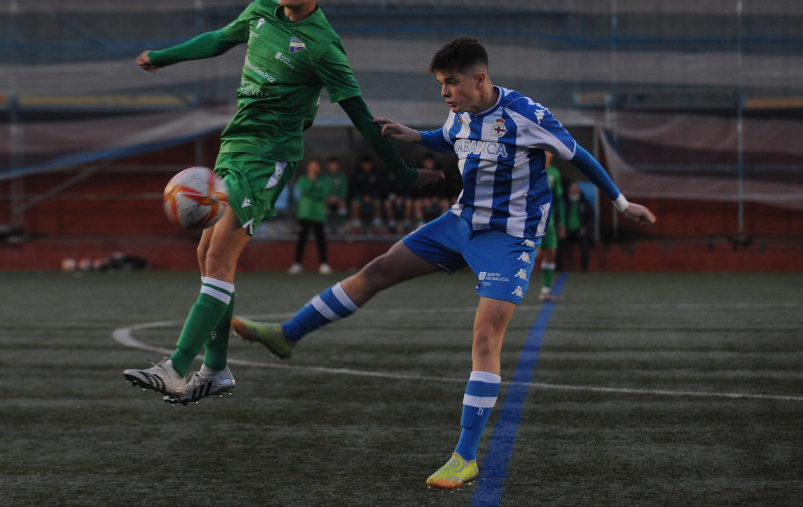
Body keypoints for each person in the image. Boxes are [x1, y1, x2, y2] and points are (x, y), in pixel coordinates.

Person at [231, 36, 656, 489]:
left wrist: (620, 201)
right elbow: (449, 138)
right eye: (440, 85)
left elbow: (581, 157)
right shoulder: (461, 111)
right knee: (376, 271)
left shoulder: (526, 115)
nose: (444, 93)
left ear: (479, 79)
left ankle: (465, 456)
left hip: (509, 238)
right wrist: (417, 136)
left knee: (485, 334)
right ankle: (285, 334)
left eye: (450, 83)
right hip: (459, 222)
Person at [123, 0, 439, 406]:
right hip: (235, 146)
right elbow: (217, 40)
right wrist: (164, 57)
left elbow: (362, 117)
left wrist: (405, 174)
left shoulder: (323, 47)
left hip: (270, 156)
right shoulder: (261, 12)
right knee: (209, 252)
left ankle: (176, 367)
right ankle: (216, 369)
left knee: (218, 258)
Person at [288, 158, 332, 275]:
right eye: (311, 166)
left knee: (321, 240)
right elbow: (304, 190)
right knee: (301, 240)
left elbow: (323, 194)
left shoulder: (324, 180)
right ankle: (297, 264)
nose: (314, 168)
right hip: (305, 213)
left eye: (316, 166)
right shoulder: (303, 179)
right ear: (308, 167)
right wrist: (312, 183)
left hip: (319, 214)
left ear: (319, 168)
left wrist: (313, 190)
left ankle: (324, 264)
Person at [537, 151, 565, 301]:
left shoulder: (555, 173)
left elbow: (559, 199)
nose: (548, 153)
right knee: (534, 255)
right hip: (533, 221)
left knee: (551, 253)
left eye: (550, 151)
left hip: (550, 222)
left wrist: (563, 223)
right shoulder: (533, 170)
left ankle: (546, 291)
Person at [347, 154, 386, 236]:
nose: (366, 166)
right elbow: (354, 189)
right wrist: (363, 196)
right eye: (365, 164)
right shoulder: (357, 175)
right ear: (362, 164)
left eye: (368, 164)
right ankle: (356, 227)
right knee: (355, 204)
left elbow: (380, 188)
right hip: (360, 198)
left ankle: (377, 227)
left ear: (371, 164)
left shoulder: (376, 174)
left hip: (373, 197)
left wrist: (371, 196)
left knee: (377, 203)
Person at [561, 181, 595, 272]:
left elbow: (591, 218)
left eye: (575, 191)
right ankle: (558, 268)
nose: (573, 193)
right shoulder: (564, 203)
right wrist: (561, 228)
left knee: (585, 247)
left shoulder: (585, 203)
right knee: (558, 243)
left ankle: (584, 269)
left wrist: (585, 228)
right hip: (567, 231)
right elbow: (559, 217)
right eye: (572, 191)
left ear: (579, 192)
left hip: (580, 231)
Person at [323, 155, 348, 236]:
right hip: (328, 199)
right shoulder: (324, 177)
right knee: (323, 203)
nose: (333, 167)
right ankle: (325, 226)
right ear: (328, 166)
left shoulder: (342, 177)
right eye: (331, 166)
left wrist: (338, 198)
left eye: (335, 166)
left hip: (338, 199)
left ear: (338, 166)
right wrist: (328, 198)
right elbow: (323, 190)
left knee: (342, 203)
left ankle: (341, 226)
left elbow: (344, 190)